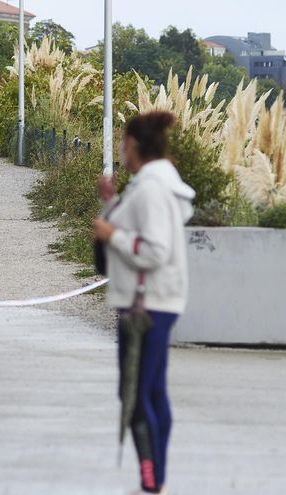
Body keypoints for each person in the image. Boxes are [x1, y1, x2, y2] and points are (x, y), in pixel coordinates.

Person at [93, 111, 194, 495]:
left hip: (145, 306)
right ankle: (157, 480)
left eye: (123, 142)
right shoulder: (154, 184)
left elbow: (153, 249)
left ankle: (151, 485)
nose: (120, 148)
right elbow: (144, 229)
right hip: (154, 302)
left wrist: (111, 234)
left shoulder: (151, 188)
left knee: (135, 398)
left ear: (134, 145)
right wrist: (113, 204)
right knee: (151, 393)